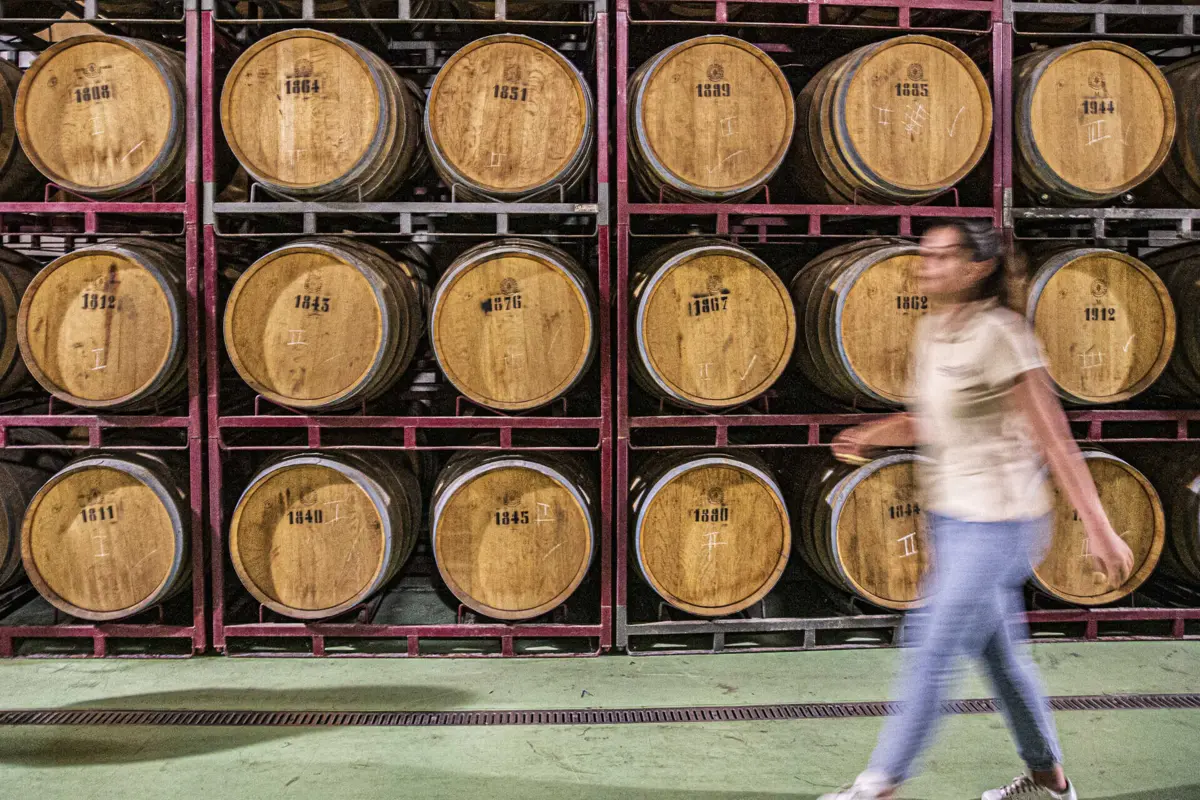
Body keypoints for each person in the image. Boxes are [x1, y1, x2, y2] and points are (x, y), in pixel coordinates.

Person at [820, 221, 1135, 800]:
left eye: (942, 257)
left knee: (932, 641)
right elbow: (937, 422)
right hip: (954, 519)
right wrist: (873, 432)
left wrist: (1100, 528)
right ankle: (1050, 782)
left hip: (1002, 521)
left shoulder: (1003, 335)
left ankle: (879, 784)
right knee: (1004, 665)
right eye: (925, 255)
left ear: (976, 268)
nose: (927, 266)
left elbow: (1055, 439)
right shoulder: (936, 331)